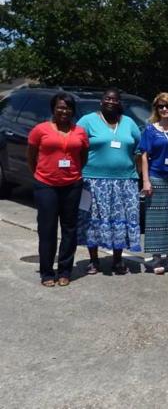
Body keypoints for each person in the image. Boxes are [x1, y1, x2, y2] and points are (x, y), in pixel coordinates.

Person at [77, 87, 142, 275]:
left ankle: (118, 260)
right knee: (93, 220)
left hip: (125, 181)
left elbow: (140, 149)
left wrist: (137, 173)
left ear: (119, 103)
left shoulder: (128, 122)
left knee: (119, 221)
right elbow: (75, 145)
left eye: (115, 99)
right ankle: (94, 261)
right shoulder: (88, 121)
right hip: (93, 181)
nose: (111, 102)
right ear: (101, 100)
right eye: (108, 98)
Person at [27, 93, 90, 287]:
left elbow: (83, 156)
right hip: (46, 185)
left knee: (70, 229)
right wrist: (40, 174)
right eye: (60, 107)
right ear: (53, 109)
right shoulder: (40, 130)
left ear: (73, 110)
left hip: (72, 185)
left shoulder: (80, 132)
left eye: (68, 108)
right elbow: (31, 156)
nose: (64, 111)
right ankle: (47, 272)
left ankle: (65, 271)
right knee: (47, 229)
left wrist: (74, 173)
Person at [139, 92, 168, 274]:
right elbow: (144, 156)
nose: (164, 109)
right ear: (156, 109)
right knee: (155, 221)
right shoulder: (150, 130)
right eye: (161, 106)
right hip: (156, 177)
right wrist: (146, 181)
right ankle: (157, 257)